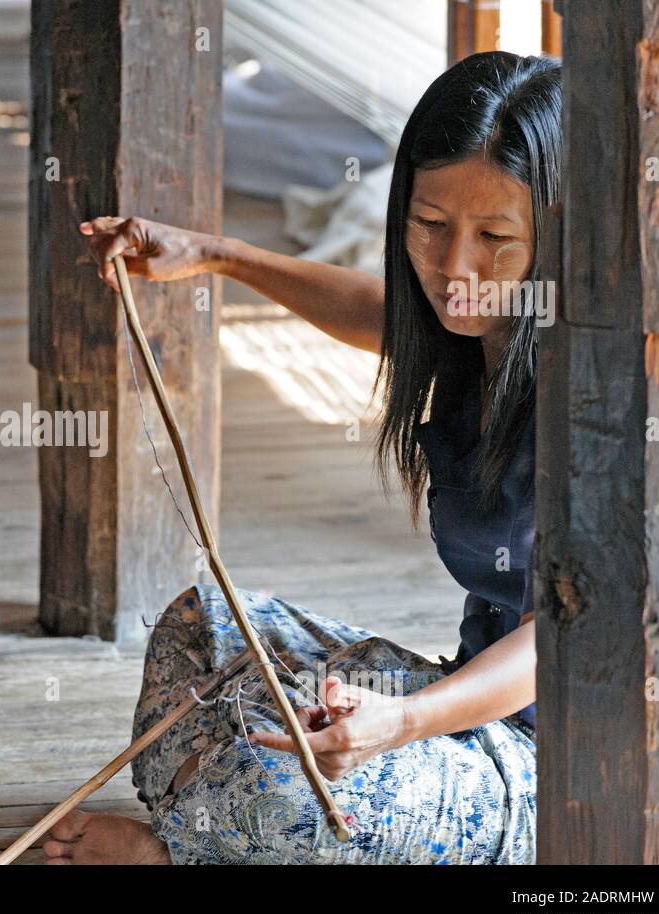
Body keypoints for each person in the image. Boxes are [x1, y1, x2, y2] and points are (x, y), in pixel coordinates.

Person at [43, 50, 558, 865]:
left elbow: (558, 642)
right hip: (464, 707)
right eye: (429, 225)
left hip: (557, 777)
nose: (455, 267)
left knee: (291, 790)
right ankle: (225, 829)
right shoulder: (488, 321)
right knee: (198, 631)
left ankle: (185, 850)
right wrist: (212, 255)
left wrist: (401, 722)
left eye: (495, 236)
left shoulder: (593, 391)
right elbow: (383, 310)